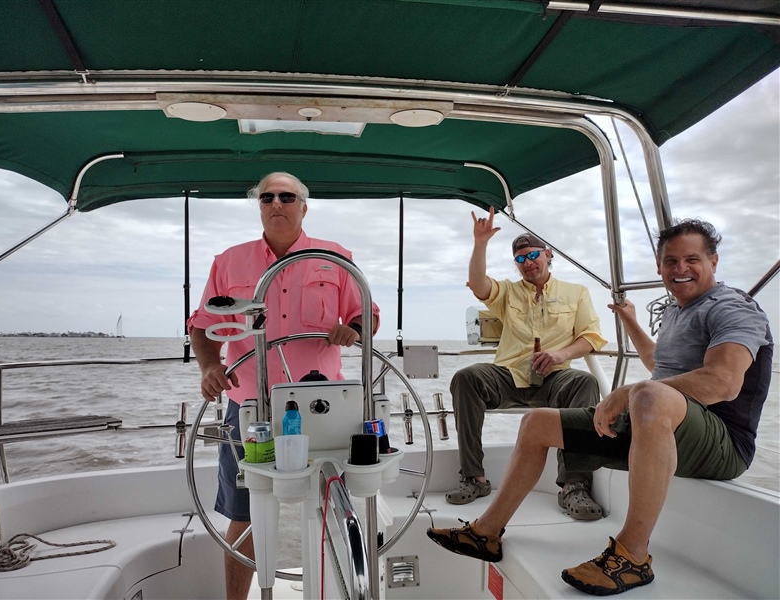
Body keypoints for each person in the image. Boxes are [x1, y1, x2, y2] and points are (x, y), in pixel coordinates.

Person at [427, 219, 773, 596]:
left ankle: (633, 556)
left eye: (692, 259)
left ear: (714, 261)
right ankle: (486, 533)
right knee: (536, 423)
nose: (680, 269)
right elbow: (659, 363)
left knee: (647, 394)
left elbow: (723, 382)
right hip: (660, 428)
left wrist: (628, 393)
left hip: (722, 443)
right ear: (659, 267)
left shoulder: (732, 308)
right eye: (670, 261)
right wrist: (631, 323)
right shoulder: (678, 310)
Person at [188, 172, 380, 600]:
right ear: (259, 205)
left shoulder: (337, 258)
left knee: (333, 502)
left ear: (303, 206)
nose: (277, 203)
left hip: (323, 407)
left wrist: (352, 329)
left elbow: (368, 317)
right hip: (249, 406)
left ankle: (337, 591)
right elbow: (202, 325)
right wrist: (208, 367)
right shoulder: (228, 261)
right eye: (267, 197)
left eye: (287, 196)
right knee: (245, 512)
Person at [445, 207, 607, 522]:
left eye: (532, 255)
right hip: (508, 376)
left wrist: (561, 354)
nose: (527, 263)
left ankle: (574, 485)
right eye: (520, 259)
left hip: (554, 379)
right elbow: (478, 285)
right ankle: (474, 478)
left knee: (586, 384)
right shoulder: (507, 292)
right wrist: (480, 243)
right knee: (466, 377)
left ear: (548, 254)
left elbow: (591, 337)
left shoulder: (576, 293)